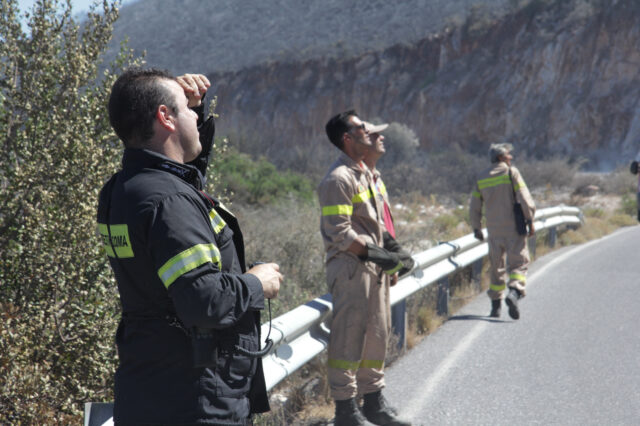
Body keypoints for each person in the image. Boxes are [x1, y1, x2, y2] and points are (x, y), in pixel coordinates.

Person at [97, 68, 283, 425]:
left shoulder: (123, 190)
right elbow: (204, 301)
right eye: (188, 109)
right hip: (196, 399)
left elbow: (185, 179)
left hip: (150, 387)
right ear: (165, 117)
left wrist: (194, 104)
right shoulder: (169, 202)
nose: (197, 117)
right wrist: (257, 282)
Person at [317, 110, 411, 426]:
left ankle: (372, 402)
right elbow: (340, 232)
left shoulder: (364, 175)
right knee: (348, 338)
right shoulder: (338, 179)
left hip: (372, 267)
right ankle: (345, 409)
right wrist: (378, 254)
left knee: (377, 336)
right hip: (351, 268)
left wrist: (392, 253)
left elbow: (377, 225)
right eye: (361, 128)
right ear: (347, 137)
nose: (368, 132)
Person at [469, 143, 535, 320]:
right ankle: (514, 292)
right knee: (519, 264)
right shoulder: (511, 172)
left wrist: (476, 227)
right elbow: (524, 198)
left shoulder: (481, 177)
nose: (510, 158)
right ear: (500, 157)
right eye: (508, 155)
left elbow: (474, 206)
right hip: (514, 228)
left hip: (493, 230)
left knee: (496, 267)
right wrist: (530, 220)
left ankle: (495, 307)